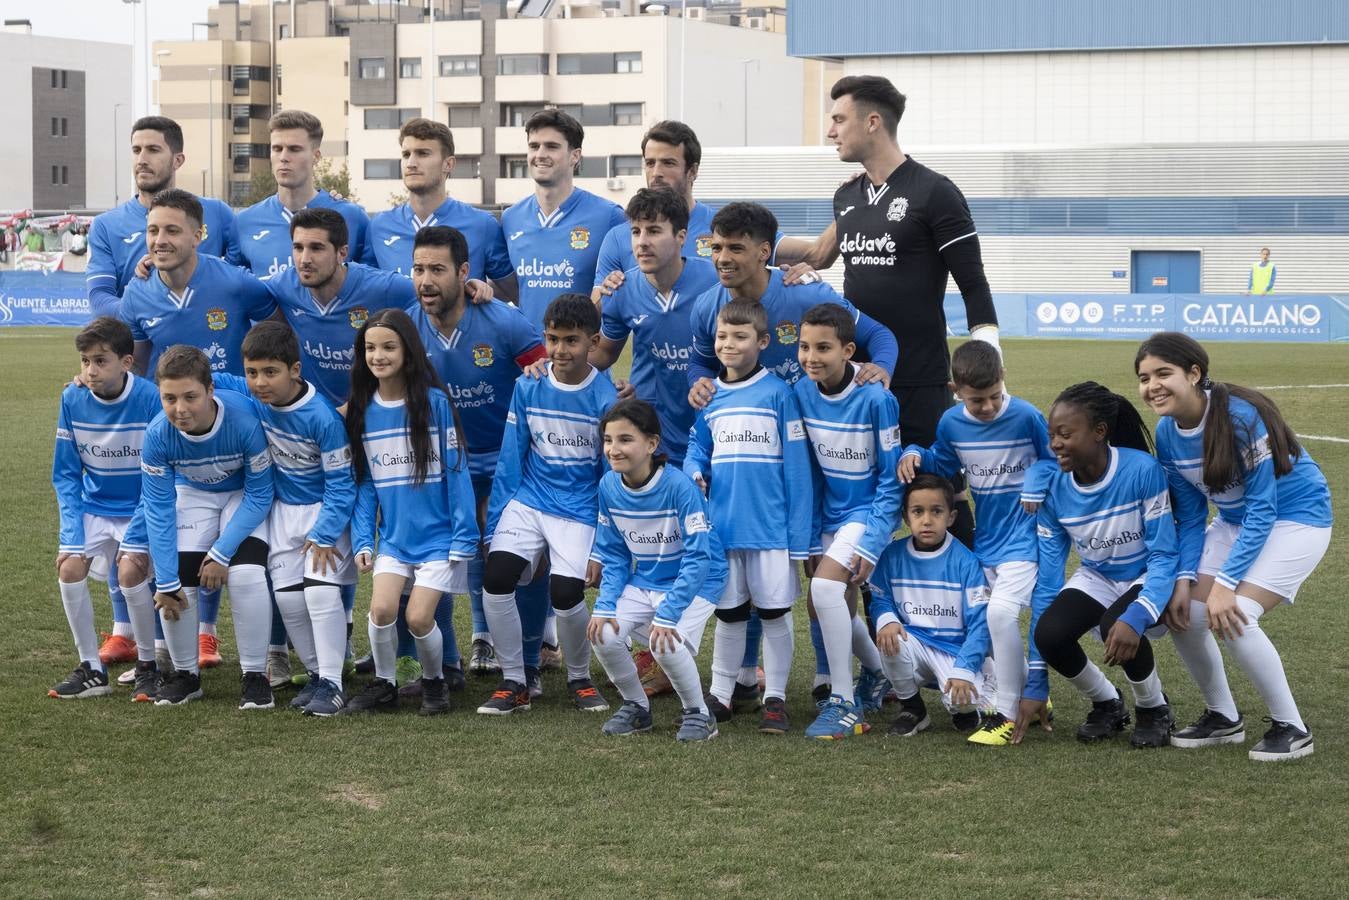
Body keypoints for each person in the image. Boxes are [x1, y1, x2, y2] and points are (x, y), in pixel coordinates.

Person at [803, 76, 999, 547]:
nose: (831, 131)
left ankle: (970, 594)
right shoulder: (846, 196)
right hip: (858, 383)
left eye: (838, 119)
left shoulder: (935, 191)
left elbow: (973, 282)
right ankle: (879, 616)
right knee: (868, 503)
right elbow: (818, 254)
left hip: (920, 378)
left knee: (936, 496)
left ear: (872, 122)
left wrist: (988, 361)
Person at [1137, 332, 1332, 761]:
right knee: (1184, 610)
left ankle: (1293, 727)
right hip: (1234, 521)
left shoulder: (1240, 417)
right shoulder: (1167, 433)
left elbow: (1265, 507)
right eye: (1144, 377)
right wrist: (1186, 579)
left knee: (1237, 612)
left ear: (1194, 373)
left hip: (1296, 518)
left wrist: (1225, 583)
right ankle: (1223, 717)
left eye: (1163, 373)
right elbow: (1188, 516)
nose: (1152, 385)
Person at [897, 340, 1054, 746]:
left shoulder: (1026, 416)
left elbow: (1054, 460)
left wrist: (1035, 484)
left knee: (999, 615)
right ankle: (1035, 698)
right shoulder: (951, 423)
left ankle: (1003, 713)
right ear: (955, 390)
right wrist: (915, 453)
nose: (987, 407)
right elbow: (944, 464)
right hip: (987, 541)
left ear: (1004, 380)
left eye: (994, 396)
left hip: (1027, 537)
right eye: (976, 400)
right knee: (983, 619)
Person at [408, 226, 547, 678]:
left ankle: (528, 660)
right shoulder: (407, 328)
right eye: (418, 269)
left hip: (508, 459)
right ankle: (453, 659)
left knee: (517, 557)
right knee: (442, 554)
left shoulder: (504, 322)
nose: (426, 281)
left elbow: (548, 386)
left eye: (437, 270)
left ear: (464, 272)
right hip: (445, 461)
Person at [476, 293, 617, 716]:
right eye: (552, 339)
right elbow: (511, 457)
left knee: (565, 592)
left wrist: (603, 544)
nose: (559, 350)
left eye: (571, 341)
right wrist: (495, 523)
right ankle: (514, 680)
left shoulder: (607, 399)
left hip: (579, 508)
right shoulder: (529, 385)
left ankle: (580, 677)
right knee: (496, 577)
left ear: (593, 342)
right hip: (530, 500)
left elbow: (608, 478)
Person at [1016, 382, 1177, 748]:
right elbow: (1049, 577)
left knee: (1114, 625)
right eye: (1051, 434)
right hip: (1099, 575)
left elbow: (1165, 554)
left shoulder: (1141, 470)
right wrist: (1036, 678)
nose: (1054, 443)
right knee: (1049, 634)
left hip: (1147, 572)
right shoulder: (1053, 490)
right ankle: (1108, 703)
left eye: (1065, 434)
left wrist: (1137, 615)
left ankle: (1154, 709)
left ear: (1100, 432)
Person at [212, 322, 358, 717]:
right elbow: (204, 376)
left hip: (322, 513)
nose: (259, 382)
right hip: (280, 513)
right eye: (252, 372)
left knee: (320, 593)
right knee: (288, 600)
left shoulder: (322, 417)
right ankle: (314, 674)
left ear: (295, 370)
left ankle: (333, 681)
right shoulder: (253, 394)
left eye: (270, 372)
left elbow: (342, 483)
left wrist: (326, 533)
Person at [683, 299, 813, 733]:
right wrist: (695, 473)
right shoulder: (710, 396)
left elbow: (797, 468)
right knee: (730, 614)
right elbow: (696, 449)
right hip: (723, 530)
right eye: (722, 336)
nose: (729, 344)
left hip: (771, 530)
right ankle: (721, 693)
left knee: (774, 614)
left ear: (762, 341)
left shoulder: (779, 393)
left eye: (740, 337)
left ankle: (775, 696)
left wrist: (800, 537)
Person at [342, 309, 478, 716]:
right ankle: (385, 685)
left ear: (408, 351)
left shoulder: (434, 403)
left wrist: (463, 534)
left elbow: (457, 472)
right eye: (370, 348)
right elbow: (365, 484)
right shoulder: (363, 410)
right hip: (395, 541)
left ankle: (436, 683)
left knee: (420, 618)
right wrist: (364, 537)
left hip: (439, 541)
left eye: (388, 346)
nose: (378, 356)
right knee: (381, 610)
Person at [129, 345, 275, 708]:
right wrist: (164, 581)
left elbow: (261, 494)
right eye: (169, 398)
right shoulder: (159, 435)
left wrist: (220, 553)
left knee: (247, 575)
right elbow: (159, 509)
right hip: (194, 491)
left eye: (190, 397)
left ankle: (256, 677)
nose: (180, 409)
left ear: (210, 390)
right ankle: (185, 675)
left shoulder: (243, 420)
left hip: (242, 495)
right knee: (177, 579)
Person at [794, 303, 902, 740]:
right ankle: (877, 673)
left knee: (824, 588)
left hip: (868, 512)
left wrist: (872, 541)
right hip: (827, 515)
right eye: (804, 347)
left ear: (848, 350)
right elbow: (809, 472)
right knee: (820, 604)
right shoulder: (801, 392)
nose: (811, 357)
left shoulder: (877, 398)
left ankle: (842, 702)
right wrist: (810, 535)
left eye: (823, 348)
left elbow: (892, 480)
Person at [587, 399, 725, 742]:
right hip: (646, 578)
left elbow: (699, 558)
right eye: (608, 440)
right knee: (603, 633)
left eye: (625, 439)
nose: (614, 449)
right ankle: (637, 708)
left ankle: (699, 714)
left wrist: (669, 612)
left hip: (698, 581)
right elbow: (614, 553)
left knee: (664, 639)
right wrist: (605, 604)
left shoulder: (680, 487)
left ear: (651, 444)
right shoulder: (608, 486)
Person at [49, 317, 163, 700]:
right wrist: (71, 537)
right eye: (85, 361)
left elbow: (159, 476)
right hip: (95, 506)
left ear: (126, 363)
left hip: (142, 506)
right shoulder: (72, 397)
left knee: (130, 570)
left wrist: (135, 534)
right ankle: (91, 668)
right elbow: (66, 475)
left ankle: (148, 664)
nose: (90, 371)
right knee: (69, 566)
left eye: (101, 361)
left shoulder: (150, 398)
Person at [688, 202, 897, 401]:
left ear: (765, 252)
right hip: (753, 430)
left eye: (736, 248)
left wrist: (881, 366)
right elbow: (701, 362)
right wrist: (699, 382)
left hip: (811, 427)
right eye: (716, 248)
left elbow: (877, 335)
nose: (722, 258)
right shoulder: (706, 306)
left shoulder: (809, 294)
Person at [589, 120, 815, 302]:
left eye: (668, 163)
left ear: (692, 171)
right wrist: (606, 292)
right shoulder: (619, 237)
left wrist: (803, 270)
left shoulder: (726, 227)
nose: (656, 172)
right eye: (650, 163)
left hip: (721, 355)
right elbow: (598, 314)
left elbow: (816, 255)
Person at [593, 187, 718, 467]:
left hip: (714, 426)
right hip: (655, 433)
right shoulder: (622, 290)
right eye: (636, 232)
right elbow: (602, 355)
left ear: (681, 237)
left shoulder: (715, 282)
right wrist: (555, 359)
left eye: (654, 231)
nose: (642, 242)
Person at [871, 474, 996, 737]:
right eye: (918, 511)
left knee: (964, 702)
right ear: (906, 517)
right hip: (913, 642)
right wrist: (886, 619)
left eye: (936, 511)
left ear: (950, 517)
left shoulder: (966, 562)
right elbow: (879, 598)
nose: (926, 520)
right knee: (890, 638)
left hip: (954, 649)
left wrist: (963, 669)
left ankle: (984, 675)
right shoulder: (892, 555)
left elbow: (980, 623)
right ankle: (913, 709)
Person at [87, 115, 239, 318]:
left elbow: (240, 280)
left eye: (153, 150)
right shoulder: (105, 225)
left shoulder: (217, 213)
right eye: (136, 150)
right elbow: (99, 299)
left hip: (207, 344)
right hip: (143, 347)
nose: (142, 159)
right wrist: (151, 307)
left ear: (178, 160)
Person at [118, 189, 276, 380]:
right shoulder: (136, 294)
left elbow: (281, 338)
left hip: (234, 406)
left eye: (172, 231)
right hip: (175, 408)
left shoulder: (236, 282)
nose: (159, 241)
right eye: (153, 231)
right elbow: (134, 367)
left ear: (197, 237)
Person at [265, 207, 415, 407]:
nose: (304, 259)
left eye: (316, 248)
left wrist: (468, 288)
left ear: (342, 252)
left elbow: (432, 296)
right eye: (298, 247)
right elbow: (237, 286)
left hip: (369, 414)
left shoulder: (383, 287)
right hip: (316, 416)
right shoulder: (281, 286)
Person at [500, 108, 627, 327]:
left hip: (585, 357)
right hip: (529, 357)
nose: (540, 154)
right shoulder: (510, 218)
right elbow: (508, 289)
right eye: (534, 146)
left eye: (551, 146)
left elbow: (629, 289)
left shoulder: (609, 216)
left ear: (575, 156)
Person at [362, 117, 511, 302]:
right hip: (397, 331)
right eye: (406, 154)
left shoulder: (483, 225)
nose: (411, 163)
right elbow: (363, 290)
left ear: (448, 164)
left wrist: (482, 290)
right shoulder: (379, 226)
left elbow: (513, 292)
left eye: (423, 153)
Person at [235, 109, 370, 279]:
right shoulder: (245, 222)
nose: (284, 157)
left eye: (294, 149)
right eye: (277, 149)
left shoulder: (352, 217)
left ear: (316, 156)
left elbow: (370, 287)